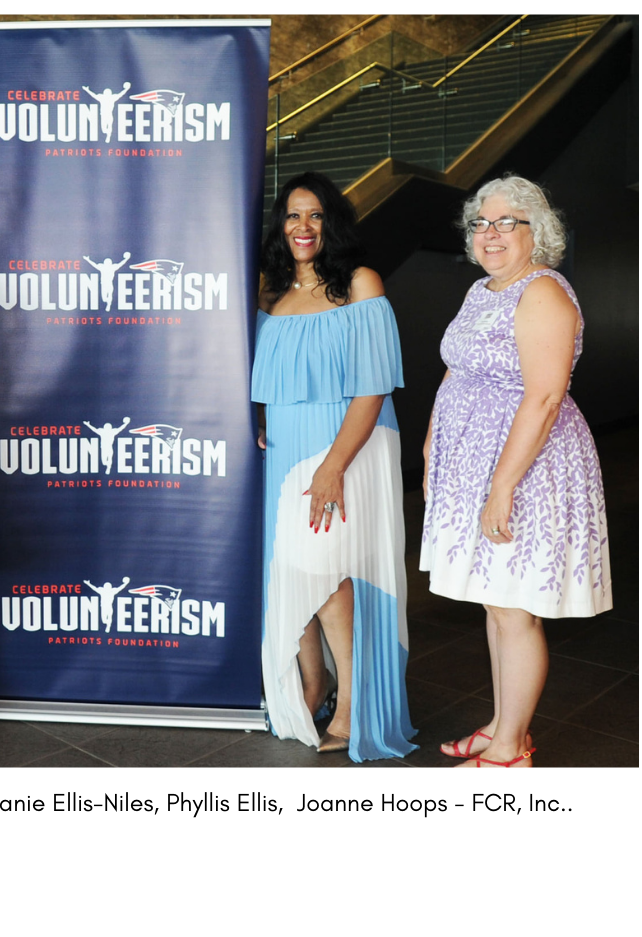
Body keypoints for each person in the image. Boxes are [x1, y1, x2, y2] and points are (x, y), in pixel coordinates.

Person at [421, 175, 611, 768]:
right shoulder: (483, 290)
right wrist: (432, 445)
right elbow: (457, 367)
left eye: (508, 222)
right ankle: (504, 724)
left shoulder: (543, 293)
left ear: (539, 232)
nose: (491, 233)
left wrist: (502, 486)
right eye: (482, 223)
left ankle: (509, 752)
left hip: (527, 466)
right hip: (473, 463)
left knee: (514, 606)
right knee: (493, 600)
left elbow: (546, 397)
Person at [252, 171, 416, 762]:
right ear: (280, 226)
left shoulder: (359, 285)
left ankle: (351, 701)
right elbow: (276, 379)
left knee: (330, 570)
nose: (303, 227)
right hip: (289, 450)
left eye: (315, 215)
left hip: (345, 446)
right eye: (293, 216)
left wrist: (333, 466)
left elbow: (371, 389)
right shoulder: (272, 296)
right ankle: (313, 685)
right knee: (297, 567)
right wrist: (269, 424)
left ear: (333, 223)